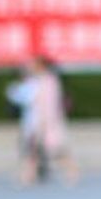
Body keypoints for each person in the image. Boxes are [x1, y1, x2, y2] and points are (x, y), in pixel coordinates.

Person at [8, 55, 77, 185]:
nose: (30, 67)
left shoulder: (48, 81)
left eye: (33, 64)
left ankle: (71, 171)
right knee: (32, 150)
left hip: (45, 122)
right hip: (34, 122)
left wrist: (46, 123)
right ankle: (28, 175)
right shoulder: (36, 80)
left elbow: (49, 104)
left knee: (55, 150)